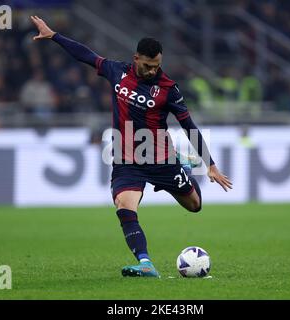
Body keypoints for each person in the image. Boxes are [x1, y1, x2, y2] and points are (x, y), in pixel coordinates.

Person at [30, 15, 232, 278]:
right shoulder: (117, 71)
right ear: (136, 58)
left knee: (195, 206)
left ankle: (183, 164)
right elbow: (86, 55)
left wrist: (211, 166)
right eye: (148, 65)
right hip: (127, 160)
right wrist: (54, 35)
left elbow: (188, 125)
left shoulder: (168, 89)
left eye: (157, 65)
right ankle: (146, 263)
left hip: (162, 159)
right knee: (124, 208)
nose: (152, 71)